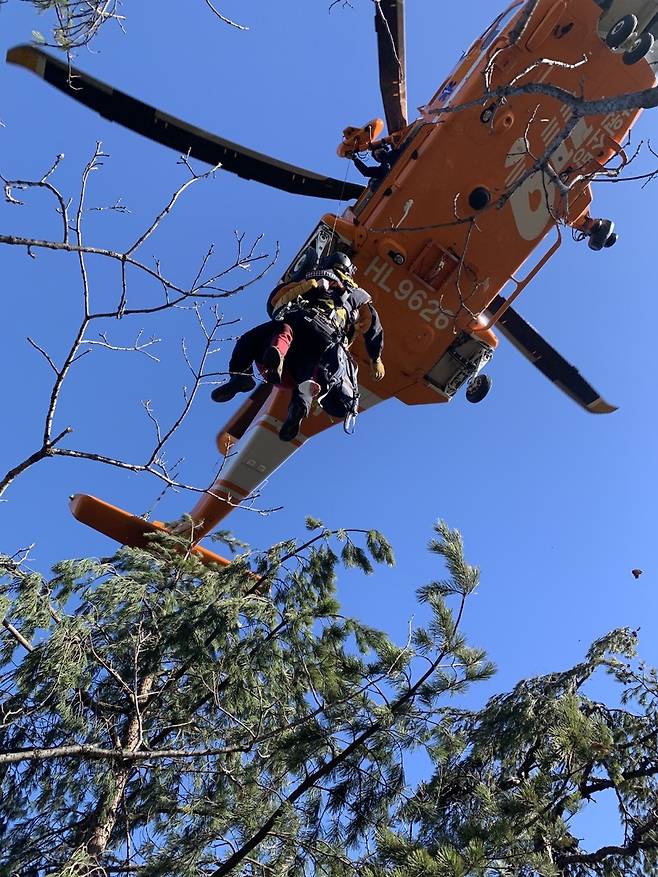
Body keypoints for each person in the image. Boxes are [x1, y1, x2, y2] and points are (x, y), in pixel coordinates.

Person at [211, 252, 385, 441]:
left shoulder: (316, 275)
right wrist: (376, 358)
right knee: (308, 378)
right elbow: (373, 326)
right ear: (350, 270)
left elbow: (275, 300)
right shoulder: (359, 296)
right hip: (323, 346)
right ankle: (298, 408)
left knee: (258, 338)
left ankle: (243, 374)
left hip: (299, 327)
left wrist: (301, 287)